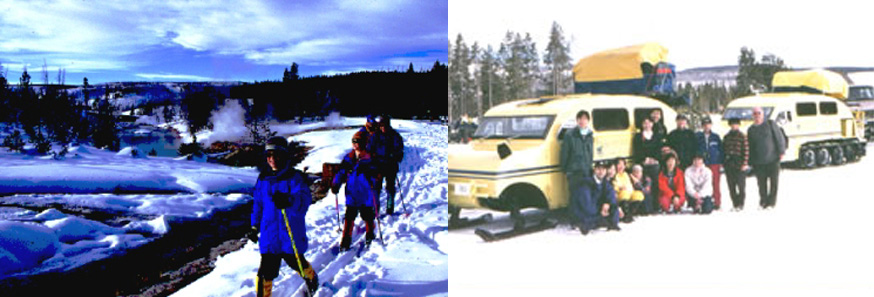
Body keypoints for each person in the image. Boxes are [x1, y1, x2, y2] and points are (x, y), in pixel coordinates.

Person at [249, 137, 319, 297]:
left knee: (296, 263)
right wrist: (254, 226)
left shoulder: (295, 178)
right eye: (269, 155)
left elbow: (303, 202)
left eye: (276, 155)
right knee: (266, 272)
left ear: (284, 155)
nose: (272, 159)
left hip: (290, 232)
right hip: (270, 234)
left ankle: (312, 278)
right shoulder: (263, 178)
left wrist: (289, 200)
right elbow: (258, 204)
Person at [332, 131, 380, 250]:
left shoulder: (370, 158)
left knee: (367, 215)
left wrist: (372, 177)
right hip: (352, 193)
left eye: (358, 142)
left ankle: (370, 234)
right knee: (349, 217)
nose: (355, 145)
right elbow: (341, 172)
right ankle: (345, 241)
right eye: (354, 142)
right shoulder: (349, 158)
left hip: (365, 193)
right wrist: (336, 183)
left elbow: (377, 175)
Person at [560, 110, 595, 234]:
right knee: (574, 196)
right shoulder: (570, 134)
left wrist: (591, 166)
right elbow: (565, 153)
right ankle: (574, 221)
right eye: (580, 119)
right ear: (577, 120)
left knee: (584, 196)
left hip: (586, 169)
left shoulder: (590, 134)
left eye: (585, 119)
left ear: (588, 121)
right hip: (574, 170)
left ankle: (583, 219)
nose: (582, 121)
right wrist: (565, 169)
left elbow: (590, 152)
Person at [747, 106, 786, 209]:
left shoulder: (770, 124)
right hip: (758, 162)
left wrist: (781, 151)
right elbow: (750, 146)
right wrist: (750, 161)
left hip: (773, 159)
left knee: (774, 183)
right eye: (755, 114)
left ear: (763, 114)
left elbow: (779, 137)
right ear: (752, 116)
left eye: (759, 113)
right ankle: (763, 201)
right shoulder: (751, 130)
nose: (757, 116)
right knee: (761, 184)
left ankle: (771, 203)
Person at [369, 115, 405, 215]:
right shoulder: (375, 136)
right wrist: (372, 160)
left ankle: (390, 208)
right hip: (378, 166)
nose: (383, 128)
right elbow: (369, 150)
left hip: (390, 165)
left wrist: (395, 156)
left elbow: (400, 150)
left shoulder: (395, 135)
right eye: (381, 126)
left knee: (390, 188)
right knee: (376, 188)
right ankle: (375, 209)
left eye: (385, 126)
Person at [632, 117, 664, 214]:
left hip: (654, 162)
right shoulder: (638, 136)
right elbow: (637, 150)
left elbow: (659, 150)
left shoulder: (657, 136)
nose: (647, 125)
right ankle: (644, 206)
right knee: (643, 182)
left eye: (649, 123)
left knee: (654, 181)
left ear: (652, 124)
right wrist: (644, 159)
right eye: (645, 123)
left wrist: (654, 159)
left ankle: (655, 205)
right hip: (642, 162)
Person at [696, 116, 723, 210]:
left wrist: (721, 162)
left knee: (715, 183)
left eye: (708, 124)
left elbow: (721, 150)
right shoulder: (698, 137)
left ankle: (717, 202)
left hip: (714, 162)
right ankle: (703, 201)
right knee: (703, 183)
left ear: (711, 125)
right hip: (703, 163)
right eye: (704, 125)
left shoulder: (715, 137)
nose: (706, 126)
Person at [723, 117, 750, 211]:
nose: (734, 126)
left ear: (738, 125)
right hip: (729, 162)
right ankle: (735, 203)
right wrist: (724, 163)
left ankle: (741, 204)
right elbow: (724, 150)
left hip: (739, 162)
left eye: (736, 124)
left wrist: (745, 163)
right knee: (731, 186)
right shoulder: (727, 136)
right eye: (732, 124)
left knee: (741, 185)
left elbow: (746, 150)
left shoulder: (742, 136)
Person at [590, 160, 622, 232]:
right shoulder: (589, 182)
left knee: (613, 204)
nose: (601, 172)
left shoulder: (605, 182)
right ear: (594, 169)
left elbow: (611, 194)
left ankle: (613, 224)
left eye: (603, 169)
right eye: (599, 169)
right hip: (592, 209)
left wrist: (607, 203)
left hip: (601, 208)